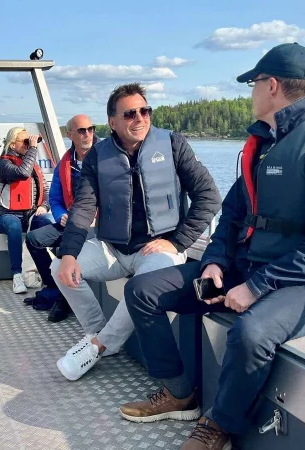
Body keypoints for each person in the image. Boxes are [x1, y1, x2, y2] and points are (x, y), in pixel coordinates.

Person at [119, 43, 305, 450]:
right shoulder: (264, 145)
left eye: (254, 83)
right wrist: (216, 262)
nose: (250, 91)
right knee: (142, 291)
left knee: (250, 333)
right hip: (248, 267)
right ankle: (178, 393)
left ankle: (219, 426)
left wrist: (257, 287)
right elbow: (233, 214)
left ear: (271, 86)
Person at [52, 83, 221, 381]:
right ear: (113, 123)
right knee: (58, 267)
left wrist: (178, 242)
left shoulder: (173, 145)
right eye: (130, 114)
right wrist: (68, 254)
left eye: (145, 111)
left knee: (142, 285)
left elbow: (209, 197)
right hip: (114, 249)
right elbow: (83, 208)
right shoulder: (97, 157)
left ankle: (100, 346)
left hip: (158, 248)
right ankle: (96, 331)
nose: (139, 118)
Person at [24, 114, 99, 322]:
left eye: (91, 129)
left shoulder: (108, 157)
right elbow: (55, 199)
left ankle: (62, 301)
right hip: (73, 222)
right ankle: (56, 288)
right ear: (70, 135)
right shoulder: (65, 164)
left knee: (67, 246)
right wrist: (61, 215)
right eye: (82, 131)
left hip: (100, 225)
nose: (88, 134)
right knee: (33, 239)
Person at [0, 127, 55, 294]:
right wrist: (34, 148)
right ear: (13, 145)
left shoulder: (33, 165)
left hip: (30, 214)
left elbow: (47, 191)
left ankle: (48, 272)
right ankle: (17, 276)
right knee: (14, 227)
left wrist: (44, 206)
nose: (29, 145)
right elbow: (22, 173)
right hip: (7, 215)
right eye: (25, 142)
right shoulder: (4, 164)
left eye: (30, 141)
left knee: (47, 223)